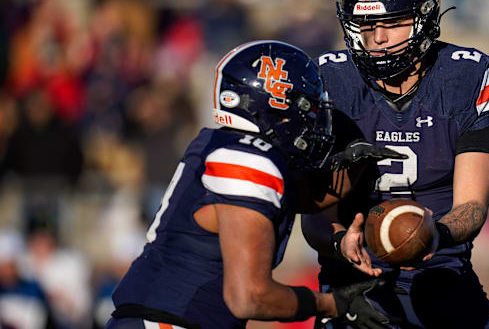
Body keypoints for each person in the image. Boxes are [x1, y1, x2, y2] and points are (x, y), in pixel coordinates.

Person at [105, 41, 401, 329]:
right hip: (170, 320)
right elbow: (249, 297)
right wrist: (333, 304)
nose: (313, 121)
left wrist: (357, 166)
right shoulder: (247, 160)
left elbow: (307, 199)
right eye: (306, 108)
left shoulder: (224, 145)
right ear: (275, 107)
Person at [302, 0, 489, 328]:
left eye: (391, 22)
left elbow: (472, 207)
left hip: (442, 277)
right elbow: (315, 216)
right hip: (355, 288)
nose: (377, 38)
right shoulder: (330, 81)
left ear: (425, 16)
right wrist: (339, 241)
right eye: (365, 25)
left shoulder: (467, 77)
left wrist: (431, 233)